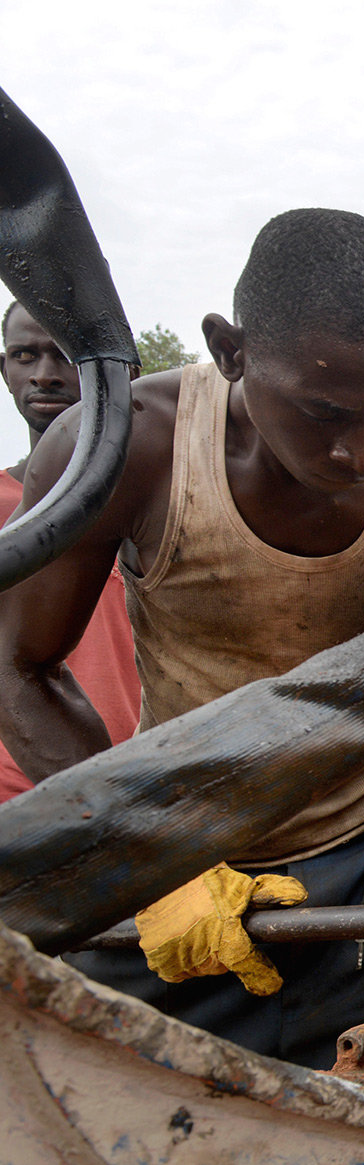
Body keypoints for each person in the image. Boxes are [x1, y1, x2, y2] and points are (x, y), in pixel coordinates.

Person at [0, 209, 364, 1070]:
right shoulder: (133, 446)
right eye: (325, 413)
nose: (361, 453)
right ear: (231, 351)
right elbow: (18, 666)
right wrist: (141, 855)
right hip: (184, 871)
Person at [0, 301, 140, 801]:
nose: (44, 376)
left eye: (64, 357)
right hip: (17, 793)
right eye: (23, 355)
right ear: (4, 370)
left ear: (119, 374)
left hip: (145, 784)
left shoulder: (153, 503)